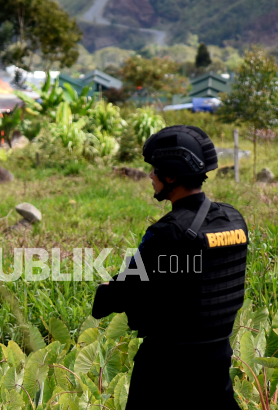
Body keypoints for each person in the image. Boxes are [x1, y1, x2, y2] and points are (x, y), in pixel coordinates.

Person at [92, 125, 248, 410]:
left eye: (155, 169)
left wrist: (105, 291)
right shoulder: (234, 220)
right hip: (217, 357)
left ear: (172, 175)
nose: (151, 176)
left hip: (167, 366)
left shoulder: (166, 233)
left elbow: (121, 293)